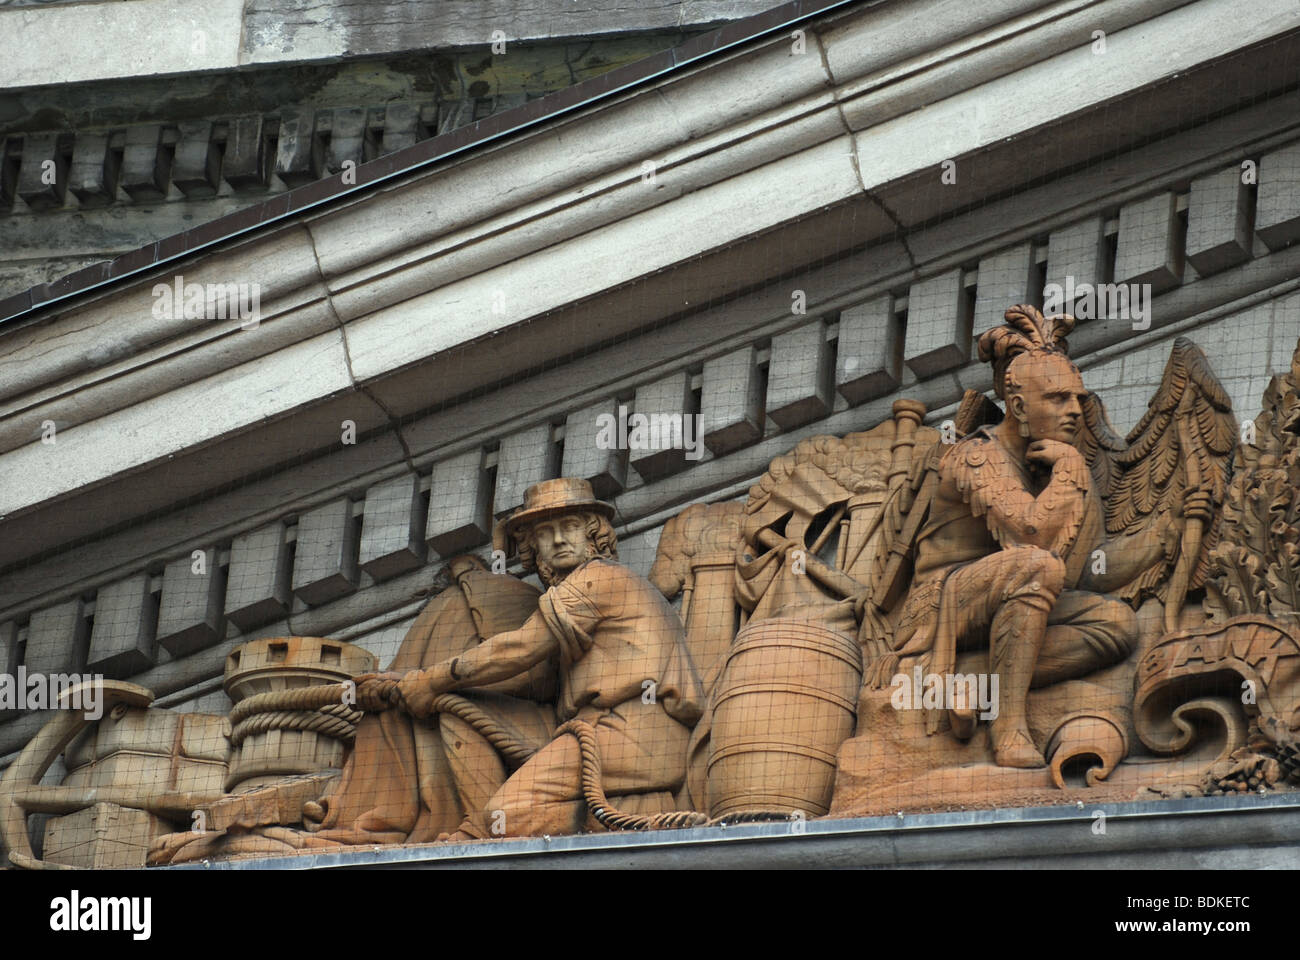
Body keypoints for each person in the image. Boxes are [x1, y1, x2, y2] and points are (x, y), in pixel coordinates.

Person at [892, 316, 1177, 768]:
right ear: (1019, 407)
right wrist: (1068, 473)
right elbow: (1031, 535)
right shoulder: (976, 454)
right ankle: (1008, 728)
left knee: (1117, 623)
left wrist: (1161, 537)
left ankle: (971, 682)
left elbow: (1087, 570)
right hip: (942, 606)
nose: (1074, 411)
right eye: (1058, 398)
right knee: (1036, 566)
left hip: (1009, 598)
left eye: (1078, 400)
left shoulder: (1049, 465)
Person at [357, 477, 704, 838]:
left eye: (569, 526)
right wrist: (407, 684)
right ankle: (509, 829)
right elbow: (522, 677)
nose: (558, 540)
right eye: (544, 532)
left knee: (501, 815)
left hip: (635, 732)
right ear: (533, 546)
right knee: (462, 711)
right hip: (595, 732)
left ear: (594, 535)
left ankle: (485, 836)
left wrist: (430, 680)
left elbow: (518, 649)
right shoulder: (582, 598)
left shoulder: (598, 580)